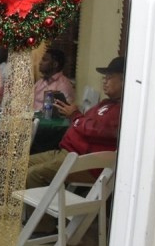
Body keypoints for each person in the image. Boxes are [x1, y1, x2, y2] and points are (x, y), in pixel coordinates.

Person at [26, 56, 124, 192]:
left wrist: (75, 115)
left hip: (85, 162)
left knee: (32, 174)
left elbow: (95, 130)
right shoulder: (105, 103)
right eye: (104, 77)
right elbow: (85, 123)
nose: (105, 81)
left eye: (110, 77)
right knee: (20, 165)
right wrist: (75, 115)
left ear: (124, 80)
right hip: (67, 152)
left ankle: (39, 207)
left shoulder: (123, 111)